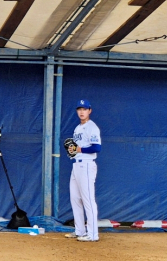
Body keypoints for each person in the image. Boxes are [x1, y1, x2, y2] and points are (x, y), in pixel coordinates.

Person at [65, 99, 101, 242]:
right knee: (75, 199)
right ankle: (80, 231)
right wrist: (73, 151)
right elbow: (75, 148)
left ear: (89, 111)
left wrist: (79, 149)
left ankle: (93, 234)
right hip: (76, 165)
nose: (82, 111)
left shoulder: (92, 127)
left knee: (88, 200)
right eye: (79, 109)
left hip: (86, 165)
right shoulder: (77, 128)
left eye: (84, 109)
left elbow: (97, 147)